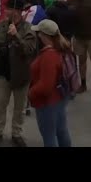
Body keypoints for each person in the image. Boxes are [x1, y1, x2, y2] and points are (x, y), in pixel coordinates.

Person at [0, 0, 37, 147]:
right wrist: (7, 37)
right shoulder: (2, 25)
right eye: (7, 8)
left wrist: (17, 36)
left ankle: (17, 133)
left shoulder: (28, 28)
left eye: (10, 9)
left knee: (19, 107)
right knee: (0, 104)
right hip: (4, 71)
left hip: (21, 73)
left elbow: (29, 50)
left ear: (18, 11)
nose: (7, 11)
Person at [28, 19, 73, 147]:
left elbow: (45, 86)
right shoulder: (61, 49)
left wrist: (31, 92)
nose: (37, 36)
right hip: (60, 97)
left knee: (49, 136)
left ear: (44, 35)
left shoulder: (49, 56)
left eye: (39, 33)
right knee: (61, 131)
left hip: (47, 102)